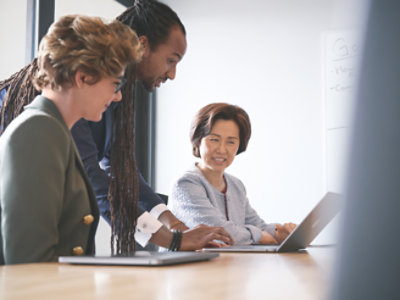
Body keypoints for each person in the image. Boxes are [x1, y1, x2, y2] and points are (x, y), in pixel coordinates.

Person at [0, 0, 233, 254]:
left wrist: (172, 224)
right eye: (170, 60)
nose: (173, 74)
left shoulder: (99, 103)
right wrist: (171, 239)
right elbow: (93, 180)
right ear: (83, 77)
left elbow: (122, 171)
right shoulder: (44, 123)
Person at [0, 14, 143, 264]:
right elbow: (30, 266)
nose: (117, 97)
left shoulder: (53, 129)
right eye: (114, 84)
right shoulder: (38, 132)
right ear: (83, 77)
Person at [169, 103, 296, 245]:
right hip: (189, 266)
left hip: (225, 263)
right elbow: (219, 232)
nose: (222, 150)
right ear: (198, 140)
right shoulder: (186, 183)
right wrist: (259, 235)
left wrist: (281, 232)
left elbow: (256, 225)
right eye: (214, 139)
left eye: (231, 142)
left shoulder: (236, 185)